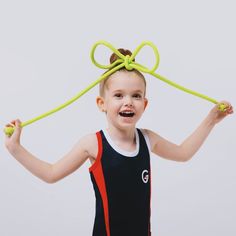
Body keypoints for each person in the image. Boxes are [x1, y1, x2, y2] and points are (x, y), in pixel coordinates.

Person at [5, 48, 234, 236]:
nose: (128, 102)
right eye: (118, 95)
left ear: (145, 104)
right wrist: (15, 149)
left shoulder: (147, 139)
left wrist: (211, 119)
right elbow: (51, 173)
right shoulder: (93, 144)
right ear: (101, 103)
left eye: (136, 95)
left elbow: (183, 153)